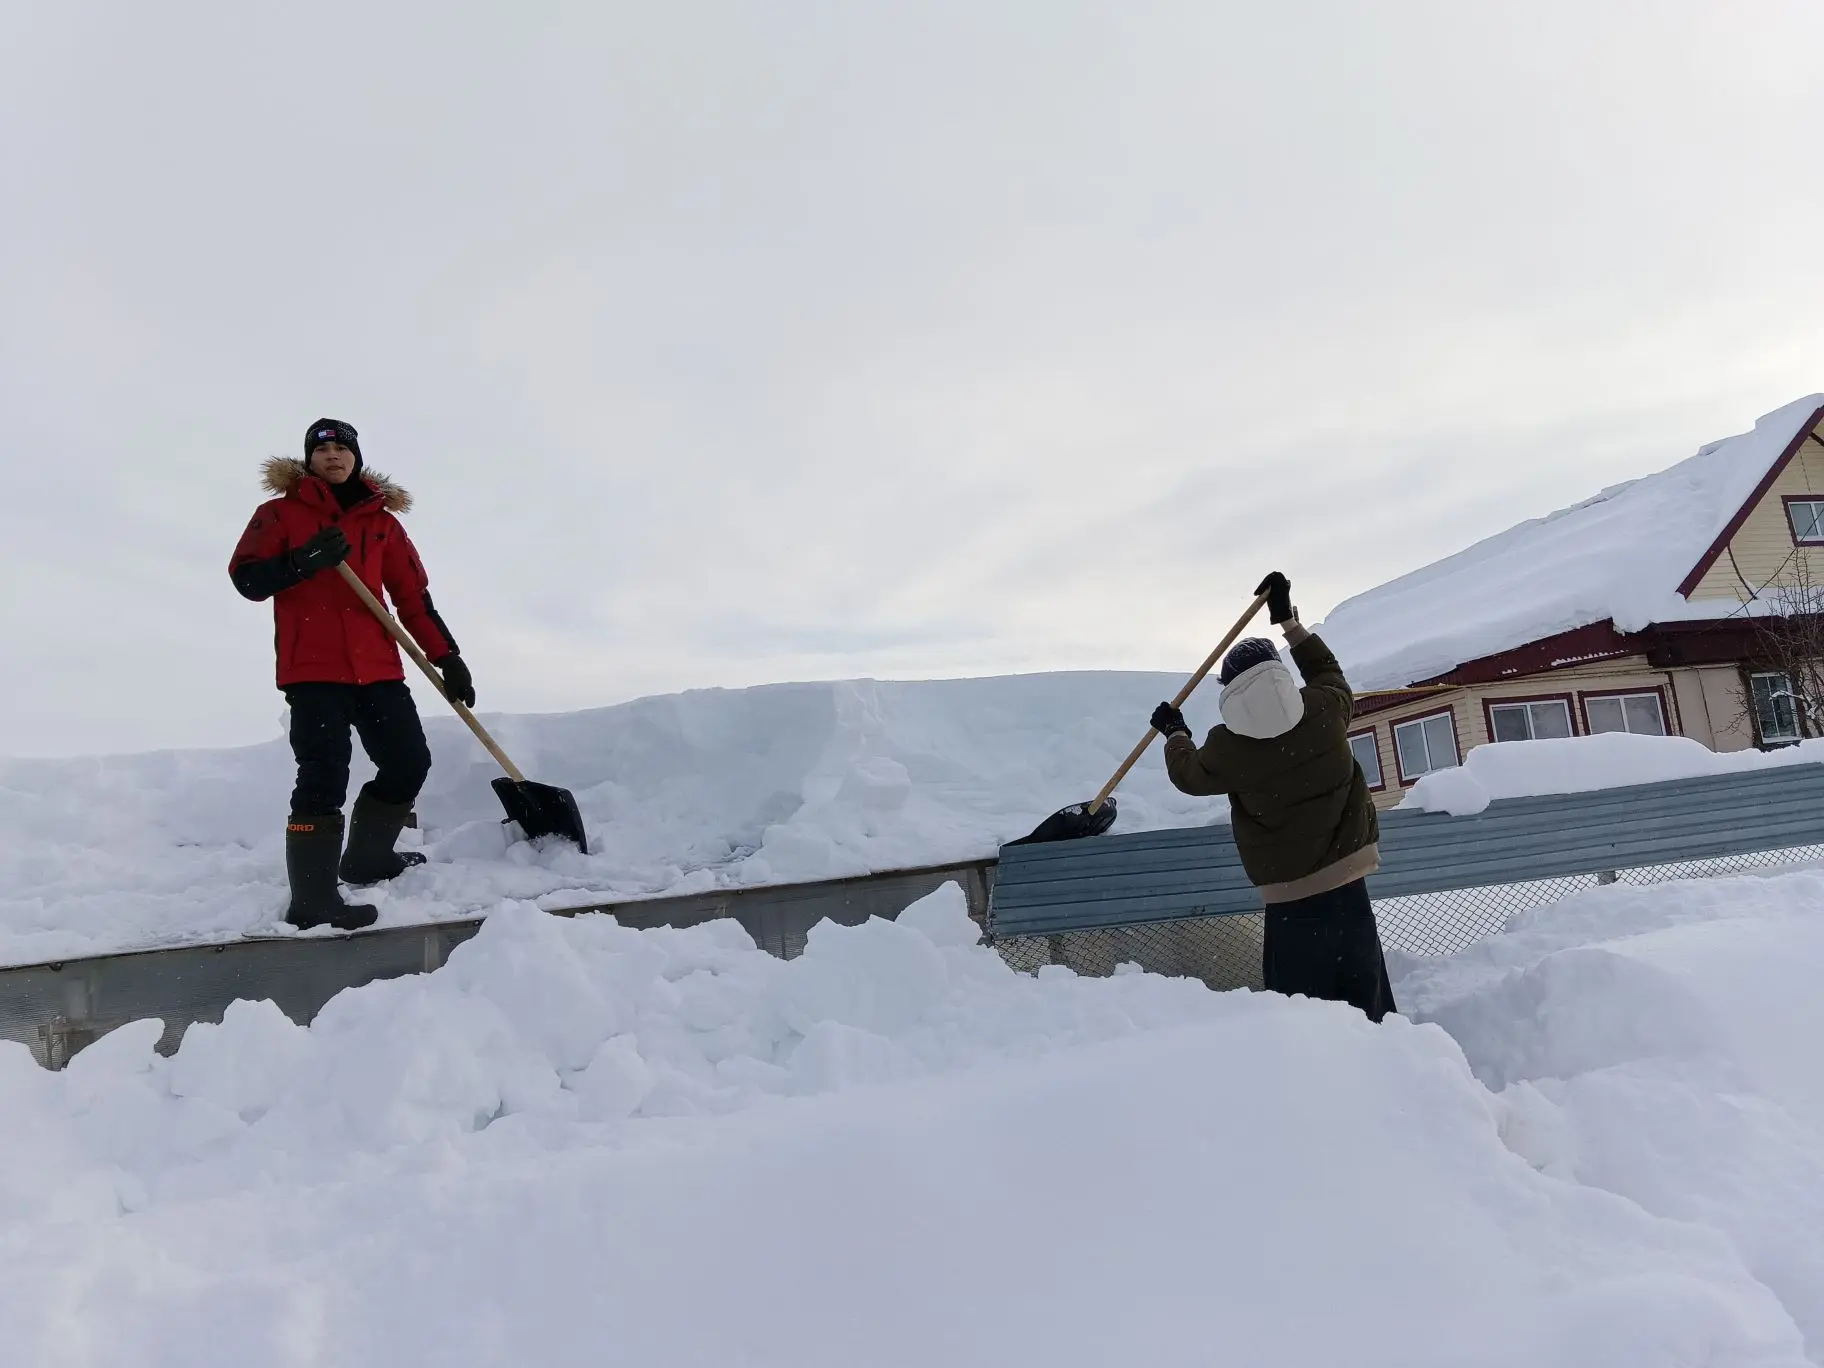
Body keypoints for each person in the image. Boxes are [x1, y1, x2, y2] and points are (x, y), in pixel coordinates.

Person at [229, 419, 477, 931]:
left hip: (378, 668)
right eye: (323, 449)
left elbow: (412, 598)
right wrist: (301, 562)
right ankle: (313, 900)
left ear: (356, 458)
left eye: (343, 448)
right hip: (312, 671)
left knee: (409, 761)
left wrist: (446, 657)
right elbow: (248, 578)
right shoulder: (279, 514)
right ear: (309, 459)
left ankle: (366, 859)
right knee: (323, 776)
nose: (334, 455)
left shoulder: (382, 523)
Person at [1151, 572, 1396, 1021]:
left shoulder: (1229, 748)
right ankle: (1382, 1069)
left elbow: (1186, 775)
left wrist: (1175, 732)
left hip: (1290, 902)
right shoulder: (1325, 709)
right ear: (1280, 674)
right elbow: (1328, 671)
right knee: (1367, 1002)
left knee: (1302, 1013)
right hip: (1349, 883)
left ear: (1229, 690)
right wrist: (1287, 621)